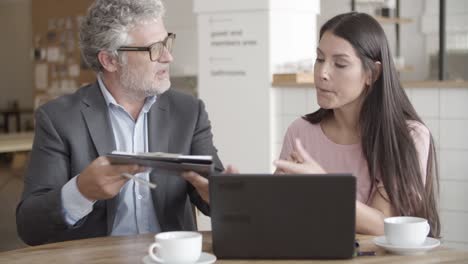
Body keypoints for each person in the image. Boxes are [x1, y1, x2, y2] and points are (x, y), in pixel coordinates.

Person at [16, 0, 222, 245]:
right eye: (155, 48)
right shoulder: (59, 119)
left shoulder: (188, 111)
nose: (168, 56)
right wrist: (81, 192)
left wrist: (222, 195)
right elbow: (29, 226)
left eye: (167, 42)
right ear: (110, 61)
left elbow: (214, 196)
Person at [274, 12, 440, 237]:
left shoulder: (408, 136)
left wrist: (324, 187)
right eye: (320, 59)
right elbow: (274, 211)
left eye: (340, 64)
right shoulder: (300, 131)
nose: (322, 73)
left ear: (373, 73)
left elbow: (384, 225)